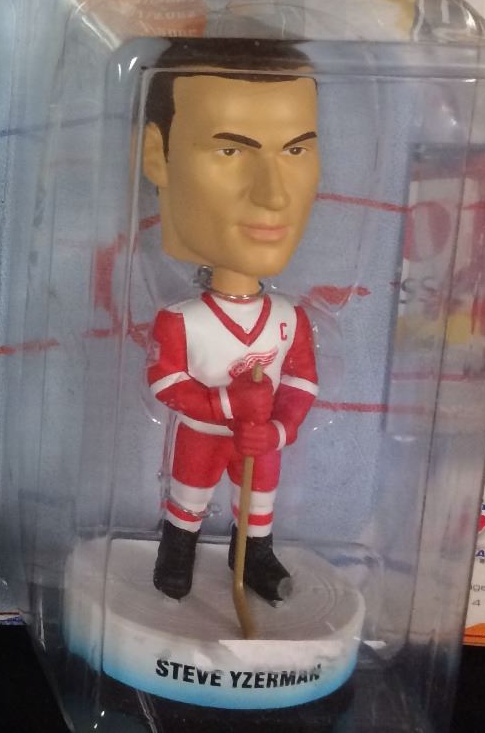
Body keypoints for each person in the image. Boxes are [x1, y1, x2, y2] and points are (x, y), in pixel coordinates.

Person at [140, 38, 321, 605]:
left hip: (259, 443)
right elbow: (166, 382)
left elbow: (302, 382)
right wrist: (226, 405)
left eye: (296, 149)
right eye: (230, 150)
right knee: (188, 499)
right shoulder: (183, 319)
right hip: (203, 436)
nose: (274, 196)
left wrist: (277, 430)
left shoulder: (288, 317)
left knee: (259, 506)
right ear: (157, 157)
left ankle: (256, 556)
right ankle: (178, 551)